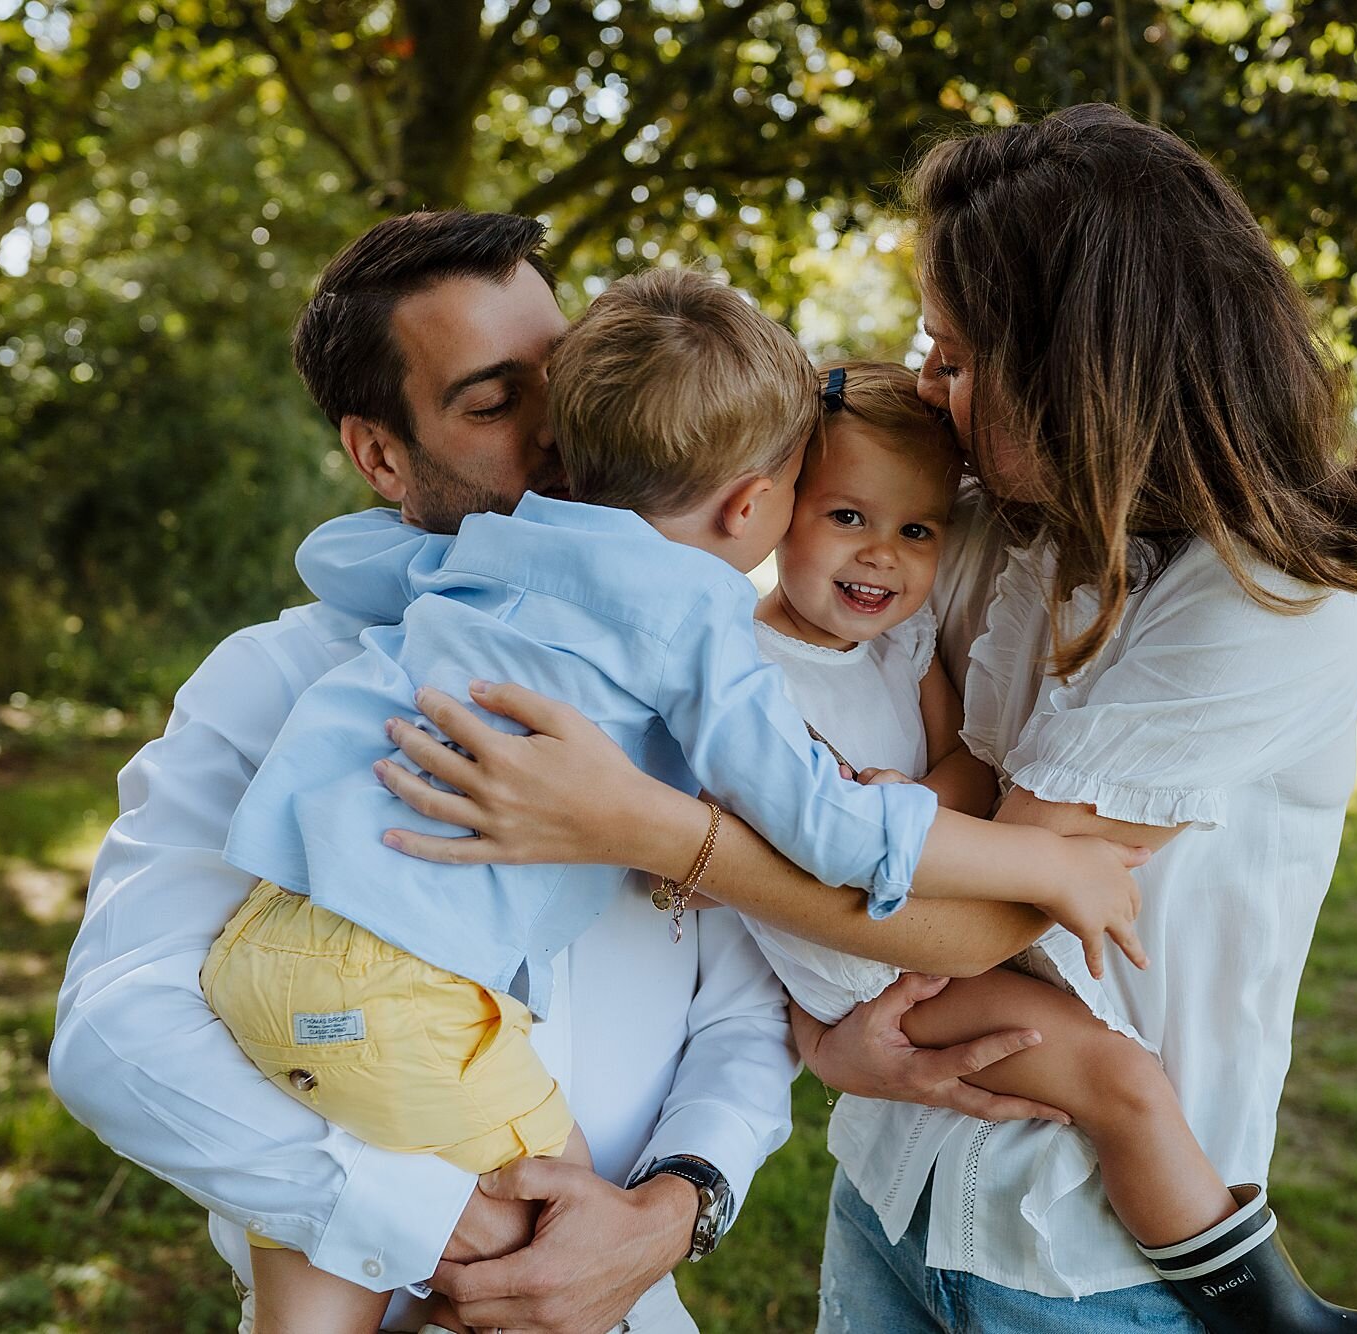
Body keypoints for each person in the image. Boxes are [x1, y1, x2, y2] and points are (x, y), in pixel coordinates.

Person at [362, 106, 1357, 1331]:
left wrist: (653, 829)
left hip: (1082, 1247)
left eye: (955, 357)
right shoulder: (983, 518)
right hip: (895, 1177)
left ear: (1080, 369)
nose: (929, 388)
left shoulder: (1259, 599)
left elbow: (978, 919)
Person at [194, 268, 1148, 1333]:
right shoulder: (696, 624)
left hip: (267, 940)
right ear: (752, 505)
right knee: (557, 1249)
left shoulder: (483, 547)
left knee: (326, 1284)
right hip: (400, 993)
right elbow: (827, 824)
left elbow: (337, 552)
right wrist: (1046, 863)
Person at [49, 212, 803, 1334]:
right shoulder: (278, 681)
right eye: (498, 403)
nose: (567, 437)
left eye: (576, 380)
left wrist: (672, 1207)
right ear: (381, 454)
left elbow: (744, 1010)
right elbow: (118, 1035)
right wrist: (444, 1222)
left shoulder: (702, 679)